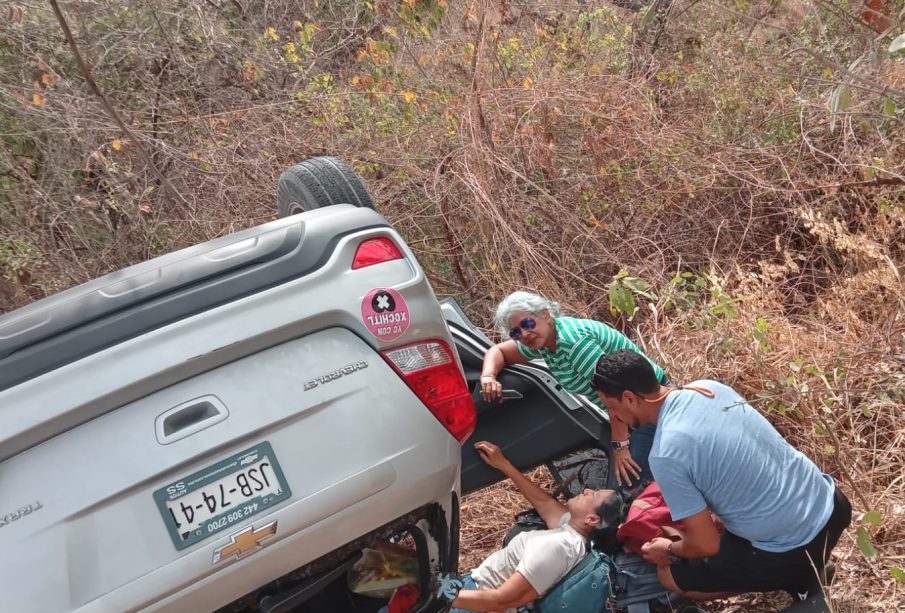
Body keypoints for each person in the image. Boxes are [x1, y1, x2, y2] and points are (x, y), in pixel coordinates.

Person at [590, 349, 852, 603]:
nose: (614, 416)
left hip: (793, 546)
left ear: (630, 399)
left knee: (670, 577)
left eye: (611, 407)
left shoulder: (665, 454)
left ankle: (802, 580)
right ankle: (808, 561)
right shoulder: (707, 388)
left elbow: (706, 545)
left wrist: (667, 549)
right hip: (832, 504)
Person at [480, 290, 669, 488]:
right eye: (516, 333)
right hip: (624, 410)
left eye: (527, 323)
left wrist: (620, 446)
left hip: (645, 404)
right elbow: (498, 351)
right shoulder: (543, 342)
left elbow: (615, 394)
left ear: (545, 314)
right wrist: (488, 376)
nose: (524, 334)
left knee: (633, 483)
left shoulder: (572, 343)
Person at [438, 441, 623, 613]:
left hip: (471, 601)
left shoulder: (558, 547)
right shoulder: (573, 535)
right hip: (468, 586)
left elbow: (500, 600)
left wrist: (437, 594)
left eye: (594, 495)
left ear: (591, 519)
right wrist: (503, 464)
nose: (588, 490)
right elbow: (543, 503)